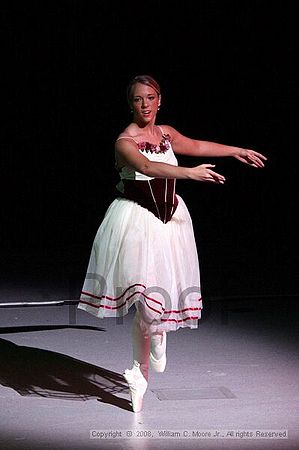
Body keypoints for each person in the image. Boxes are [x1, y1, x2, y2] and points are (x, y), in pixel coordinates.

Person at [77, 74, 267, 412]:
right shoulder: (125, 141)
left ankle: (159, 334)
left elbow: (195, 145)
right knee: (146, 302)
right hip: (136, 222)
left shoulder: (166, 133)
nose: (145, 104)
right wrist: (191, 174)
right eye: (138, 99)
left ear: (159, 100)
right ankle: (137, 371)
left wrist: (237, 150)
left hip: (170, 224)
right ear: (131, 103)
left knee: (158, 303)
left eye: (150, 97)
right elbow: (148, 167)